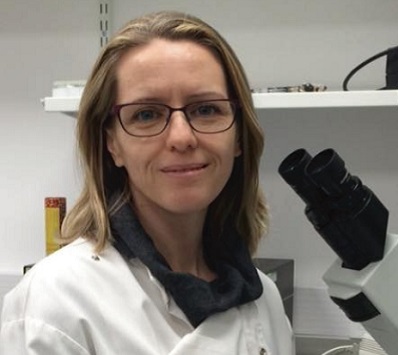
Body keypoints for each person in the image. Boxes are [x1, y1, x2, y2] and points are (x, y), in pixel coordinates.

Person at [0, 11, 294, 354]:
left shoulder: (264, 300)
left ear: (239, 135)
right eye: (146, 114)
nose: (182, 137)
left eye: (206, 109)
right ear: (112, 143)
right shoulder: (58, 302)